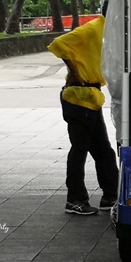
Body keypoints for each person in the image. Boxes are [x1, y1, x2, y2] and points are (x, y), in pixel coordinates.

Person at [48, 15, 119, 215]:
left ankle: (110, 196)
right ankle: (75, 200)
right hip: (79, 96)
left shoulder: (108, 31)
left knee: (103, 150)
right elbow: (59, 43)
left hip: (91, 96)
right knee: (80, 149)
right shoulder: (94, 28)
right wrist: (75, 71)